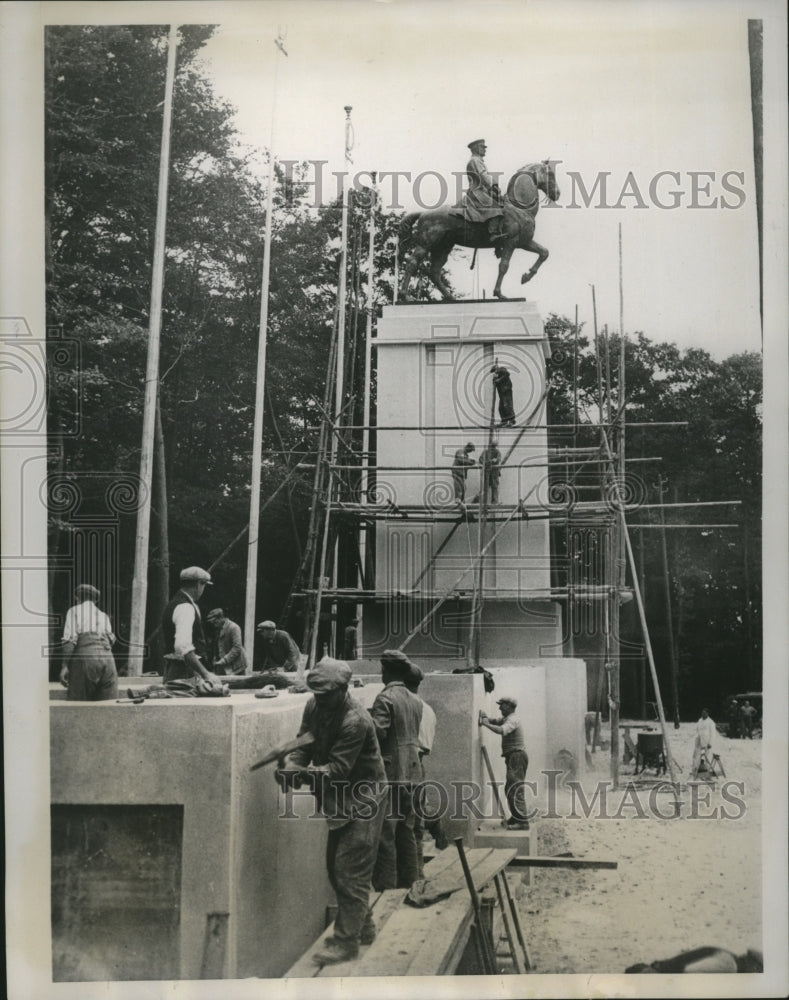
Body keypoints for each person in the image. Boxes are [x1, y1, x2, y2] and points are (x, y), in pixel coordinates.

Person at [278, 658, 387, 965]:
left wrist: (299, 775)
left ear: (342, 690)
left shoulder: (356, 721)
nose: (319, 699)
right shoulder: (315, 706)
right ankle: (363, 924)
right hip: (340, 801)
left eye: (325, 694)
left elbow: (337, 770)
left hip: (365, 801)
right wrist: (292, 763)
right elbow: (304, 741)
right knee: (335, 867)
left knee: (349, 869)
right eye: (316, 693)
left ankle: (346, 942)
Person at [371, 649, 424, 891]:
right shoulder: (415, 700)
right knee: (408, 831)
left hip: (392, 775)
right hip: (413, 773)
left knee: (386, 836)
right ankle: (412, 884)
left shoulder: (385, 699)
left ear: (385, 670)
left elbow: (378, 732)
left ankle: (388, 891)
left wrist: (363, 718)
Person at [403, 662, 441, 875]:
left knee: (406, 825)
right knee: (416, 825)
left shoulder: (406, 706)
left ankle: (411, 876)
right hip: (419, 766)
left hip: (406, 768)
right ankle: (417, 873)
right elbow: (426, 747)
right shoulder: (428, 709)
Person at [59, 583, 118, 701]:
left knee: (79, 706)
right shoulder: (103, 616)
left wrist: (65, 666)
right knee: (107, 707)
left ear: (78, 598)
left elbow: (69, 641)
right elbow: (111, 640)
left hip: (86, 658)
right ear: (95, 600)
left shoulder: (74, 611)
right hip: (108, 661)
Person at [479, 695, 530, 829]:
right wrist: (486, 718)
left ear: (509, 706)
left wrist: (485, 724)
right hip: (513, 757)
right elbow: (497, 721)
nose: (500, 707)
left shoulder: (513, 720)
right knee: (510, 789)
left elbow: (502, 730)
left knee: (515, 789)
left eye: (502, 705)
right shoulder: (507, 718)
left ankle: (522, 822)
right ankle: (516, 817)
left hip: (517, 756)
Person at [161, 566, 218, 685]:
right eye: (204, 586)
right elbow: (183, 647)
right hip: (185, 673)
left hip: (177, 669)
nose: (203, 590)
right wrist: (206, 674)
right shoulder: (185, 607)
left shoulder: (174, 603)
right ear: (198, 584)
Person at [462, 138, 506, 242]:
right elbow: (483, 175)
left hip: (483, 191)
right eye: (482, 147)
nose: (485, 149)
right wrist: (494, 185)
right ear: (476, 148)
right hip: (477, 192)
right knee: (495, 208)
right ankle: (493, 233)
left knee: (502, 203)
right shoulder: (475, 161)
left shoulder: (478, 161)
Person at [206, 608, 248, 676]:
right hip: (224, 665)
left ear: (221, 618)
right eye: (213, 623)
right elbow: (217, 645)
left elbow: (237, 648)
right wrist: (215, 658)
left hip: (237, 666)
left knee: (238, 684)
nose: (214, 624)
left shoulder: (234, 627)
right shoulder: (218, 628)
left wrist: (224, 660)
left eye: (215, 622)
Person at [690, 708, 716, 778]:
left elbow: (713, 734)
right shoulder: (700, 720)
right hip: (699, 739)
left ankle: (707, 770)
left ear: (708, 713)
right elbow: (697, 729)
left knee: (707, 756)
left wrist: (710, 743)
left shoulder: (711, 722)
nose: (703, 714)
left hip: (707, 741)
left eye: (705, 713)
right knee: (696, 755)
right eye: (702, 713)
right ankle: (695, 769)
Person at [479, 439, 502, 503]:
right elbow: (480, 460)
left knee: (494, 487)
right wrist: (489, 462)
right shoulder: (486, 452)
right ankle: (485, 502)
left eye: (494, 446)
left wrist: (494, 460)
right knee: (486, 487)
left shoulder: (497, 452)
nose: (493, 448)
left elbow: (498, 459)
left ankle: (494, 501)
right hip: (487, 472)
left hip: (494, 472)